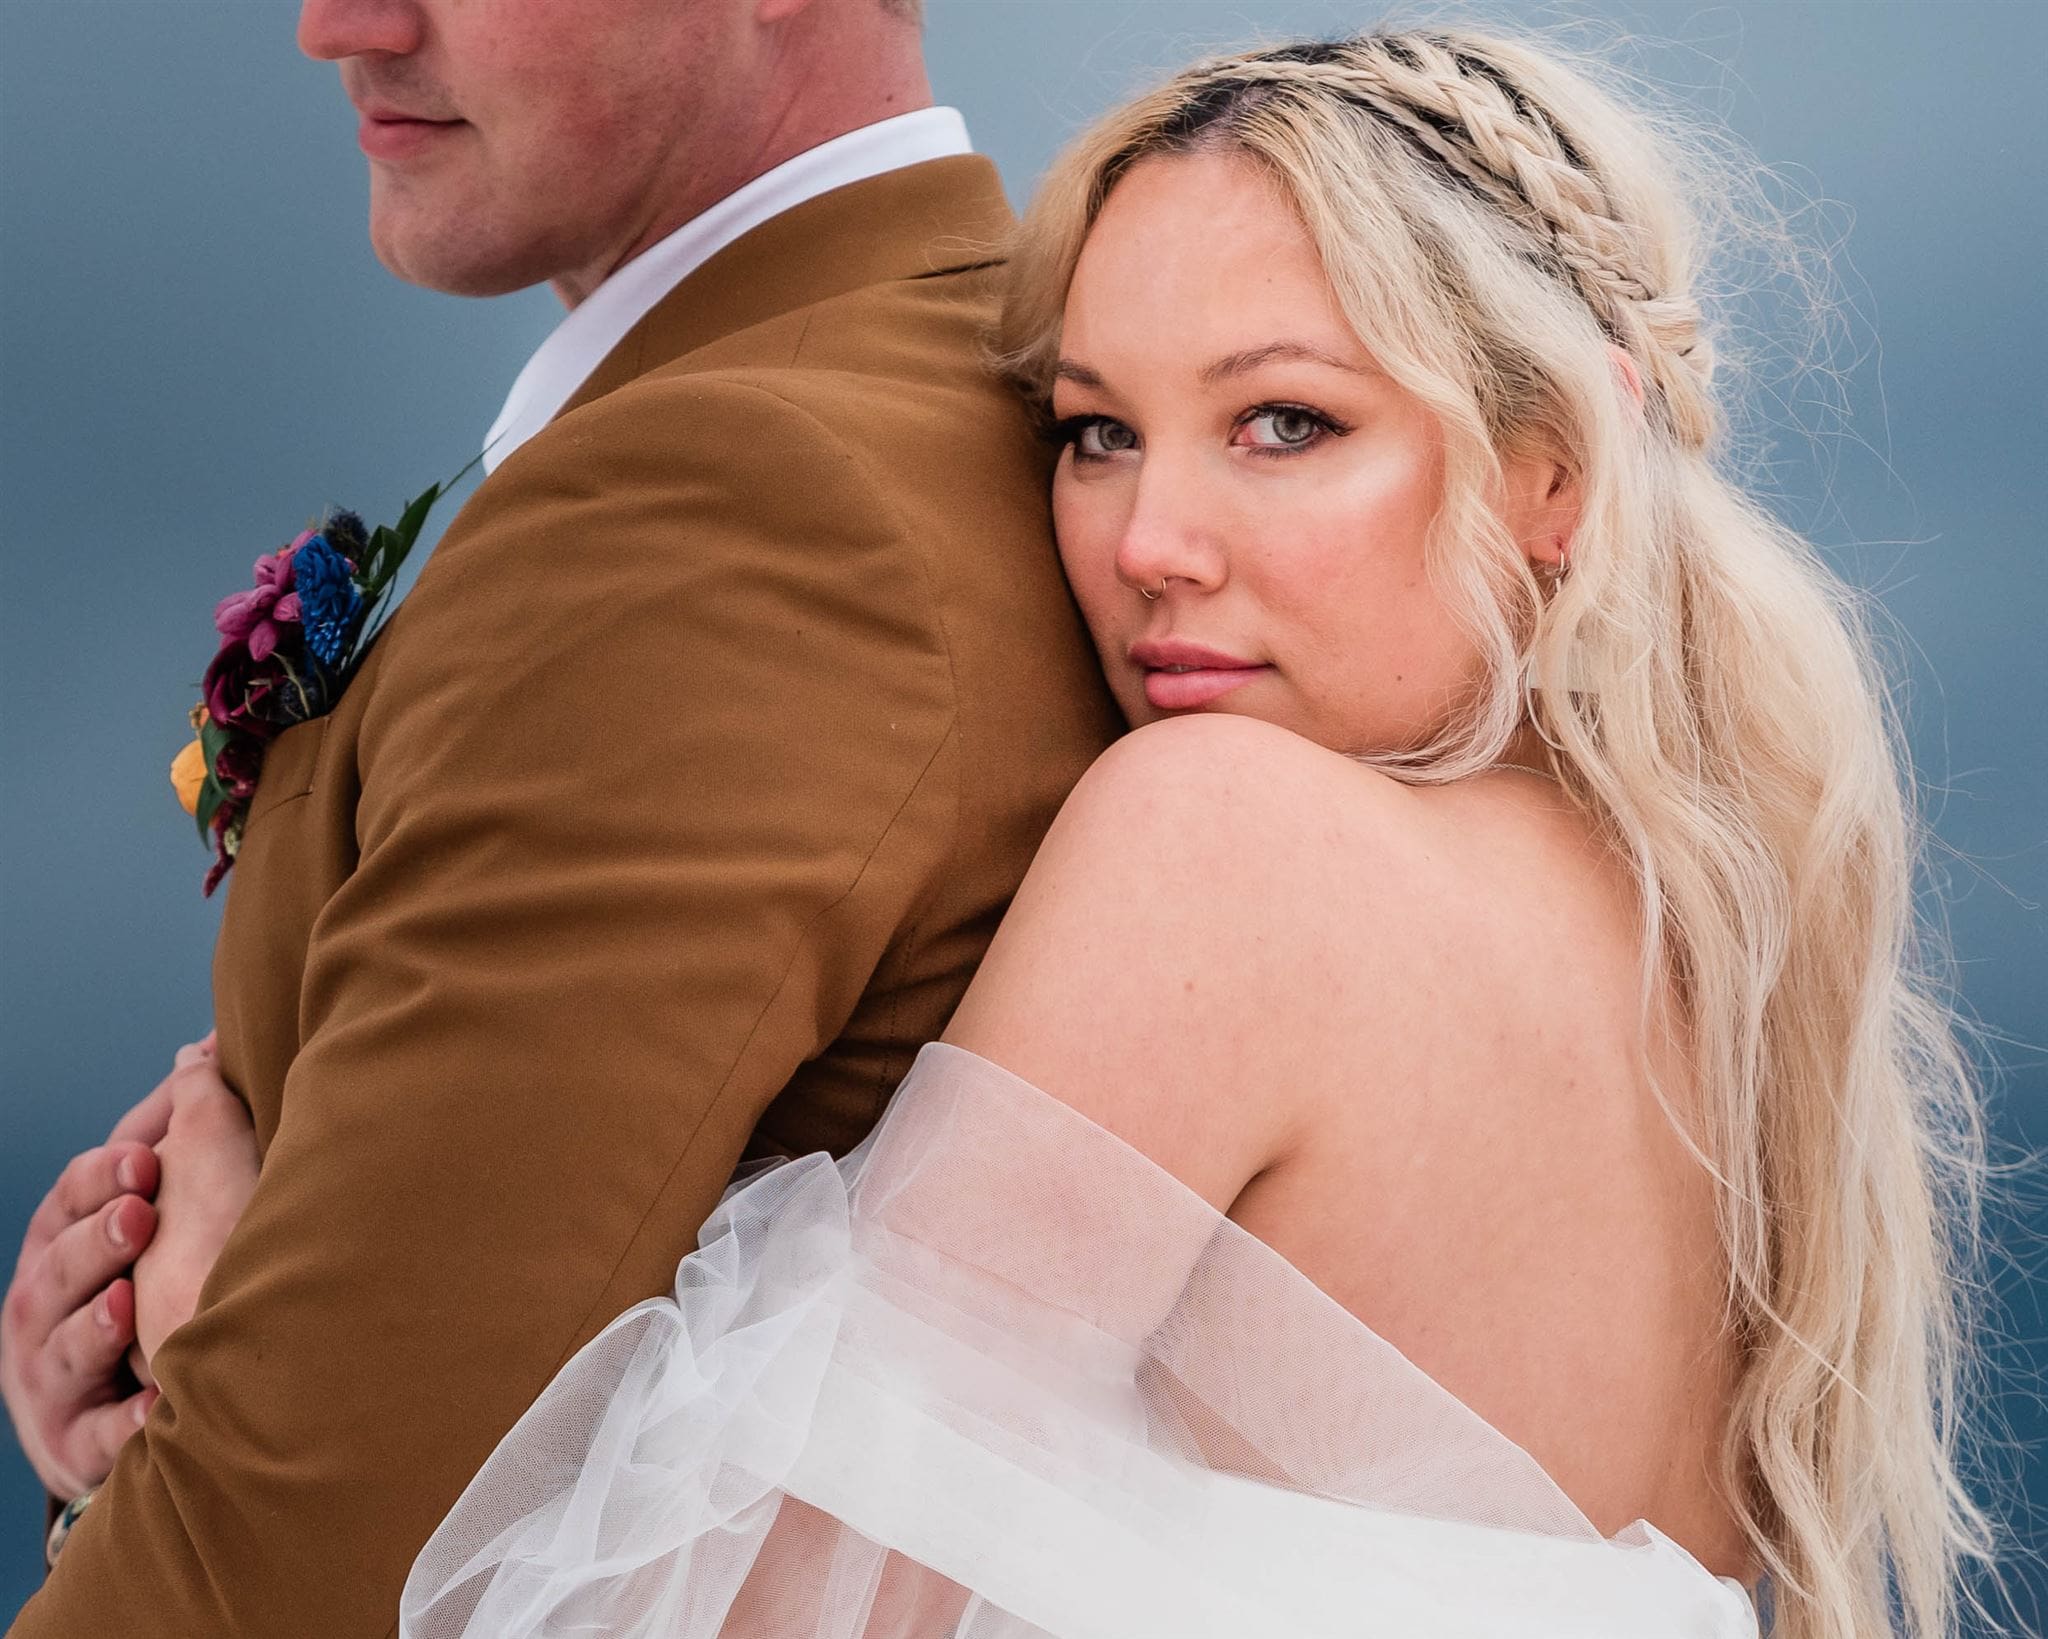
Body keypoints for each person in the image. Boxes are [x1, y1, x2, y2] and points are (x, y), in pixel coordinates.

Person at [20, 19, 1997, 1639]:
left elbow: (749, 1622)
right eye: (1093, 428)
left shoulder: (1222, 842)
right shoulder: (1698, 927)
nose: (1147, 541)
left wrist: (219, 1344)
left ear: (1547, 470)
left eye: (1283, 423)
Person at [1, 0, 1117, 1630]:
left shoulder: (731, 503)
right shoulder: (895, 389)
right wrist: (148, 1432)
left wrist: (197, 1457)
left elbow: (295, 1563)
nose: (336, 28)